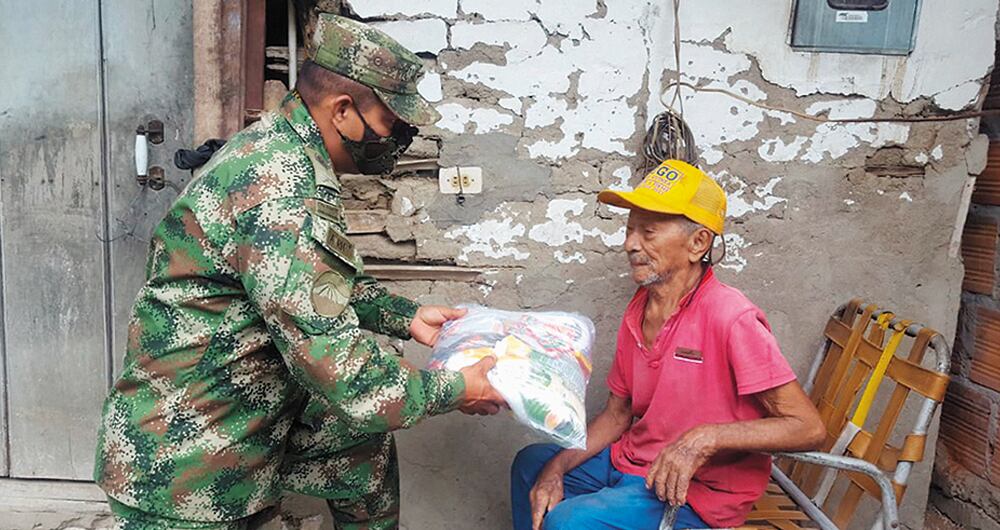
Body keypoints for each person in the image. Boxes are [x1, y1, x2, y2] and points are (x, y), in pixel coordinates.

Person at [94, 14, 504, 530]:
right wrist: (454, 388)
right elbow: (340, 368)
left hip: (240, 420)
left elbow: (322, 287)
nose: (397, 140)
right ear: (343, 111)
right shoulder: (279, 187)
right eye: (393, 125)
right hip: (186, 462)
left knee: (361, 448)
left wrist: (408, 316)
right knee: (360, 409)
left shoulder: (291, 156)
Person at [510, 160, 825, 530]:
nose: (630, 244)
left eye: (649, 232)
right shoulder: (639, 308)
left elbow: (808, 428)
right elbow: (617, 414)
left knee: (569, 521)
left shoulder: (730, 316)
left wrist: (706, 438)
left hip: (694, 492)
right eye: (630, 230)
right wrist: (557, 467)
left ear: (698, 242)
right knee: (533, 466)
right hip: (636, 464)